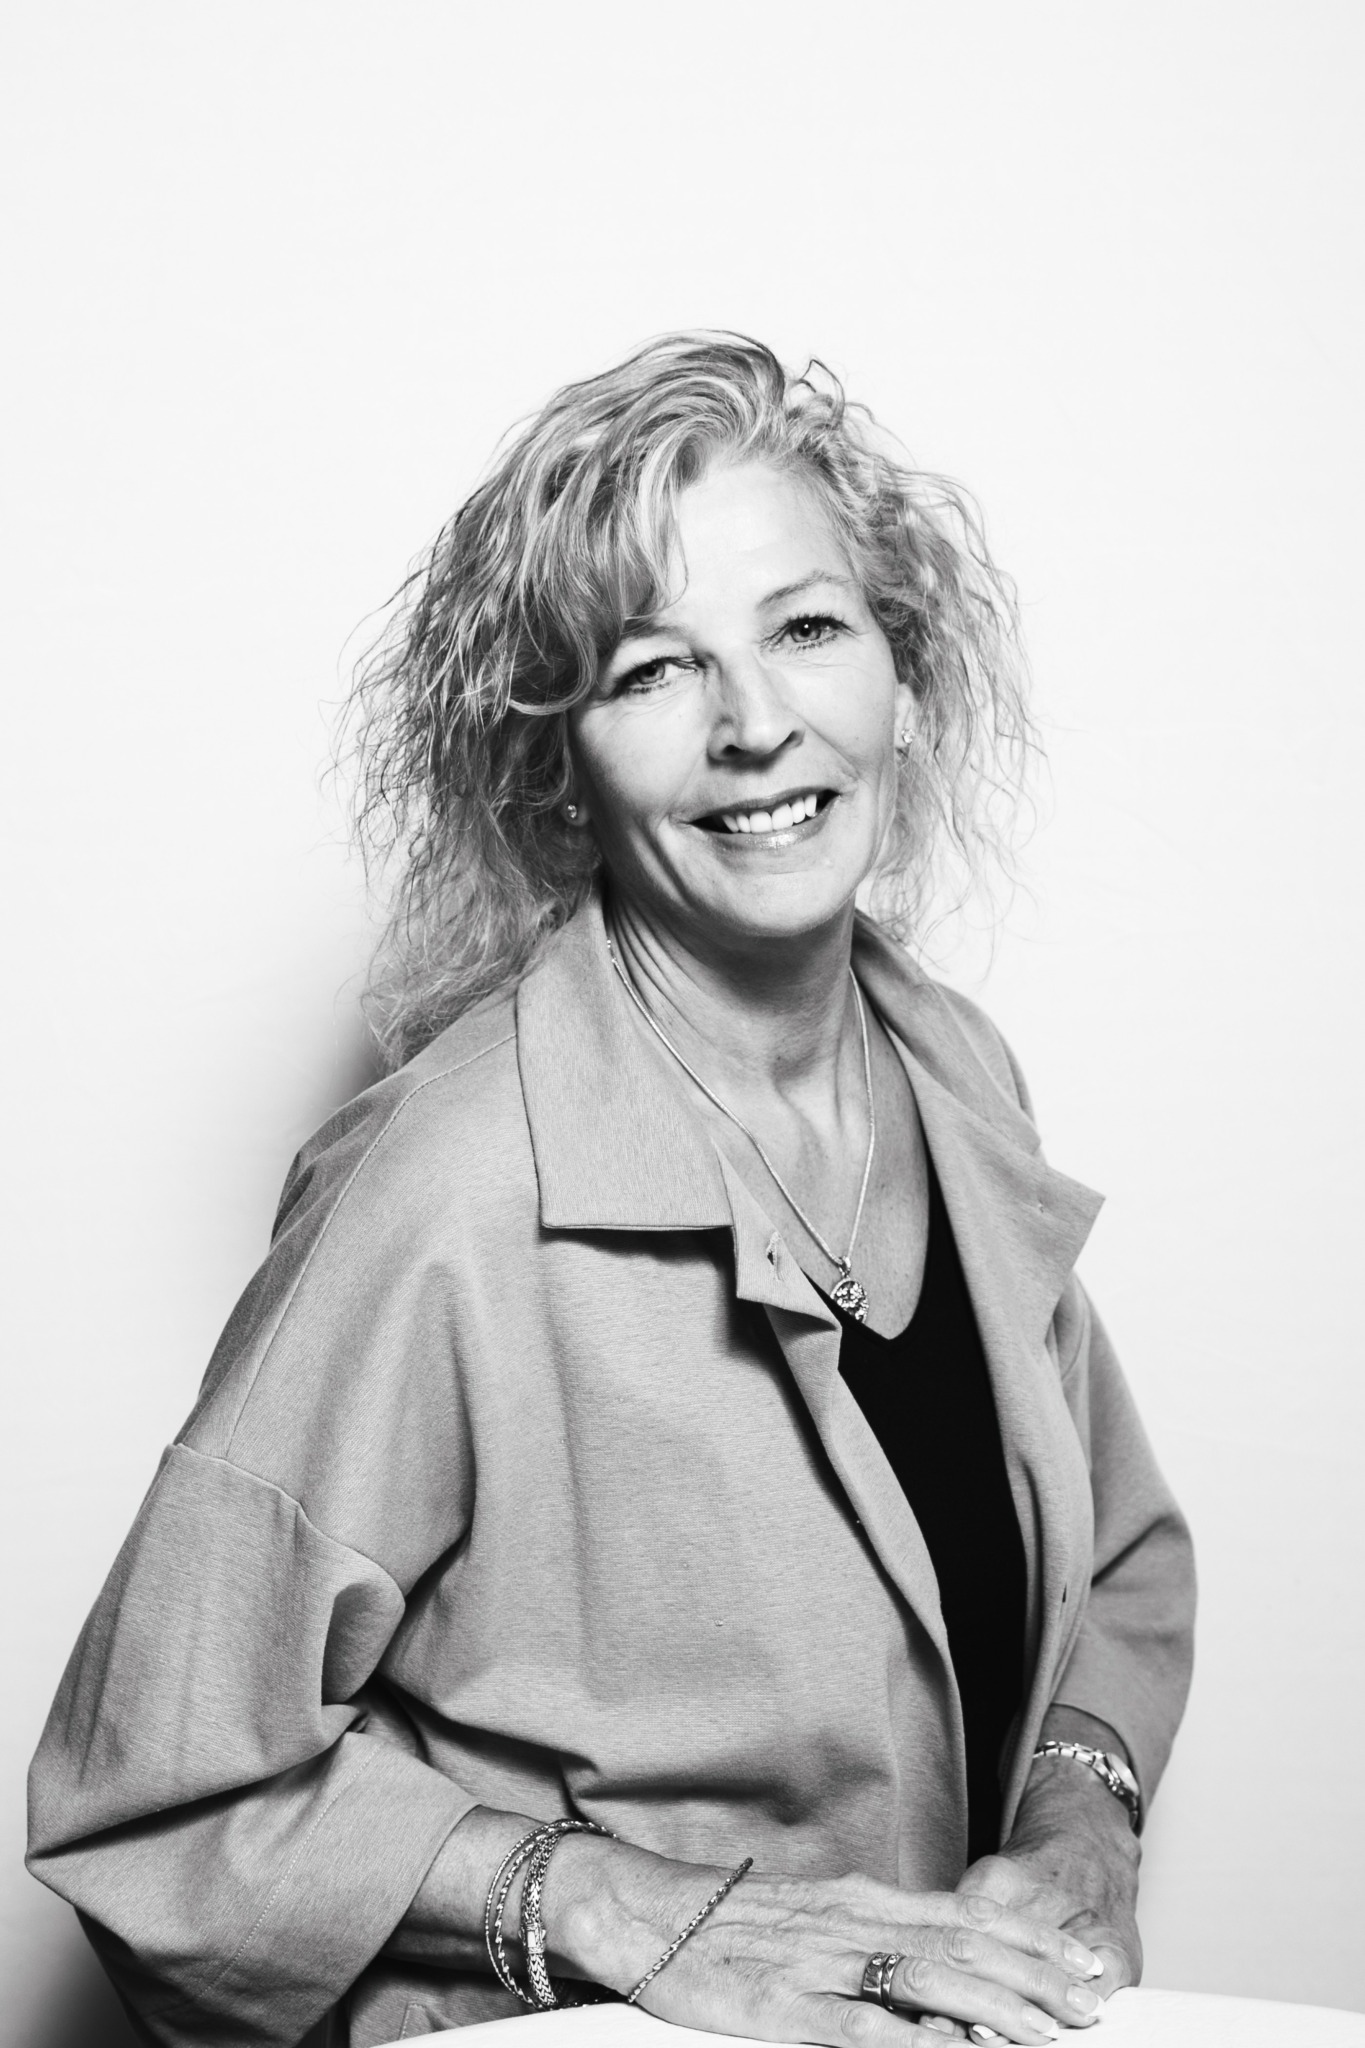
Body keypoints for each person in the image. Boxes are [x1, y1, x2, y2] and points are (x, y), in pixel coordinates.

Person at [27, 334, 1195, 2048]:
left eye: (806, 629)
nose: (755, 724)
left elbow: (1121, 1564)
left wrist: (1083, 1820)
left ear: (904, 673)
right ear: (552, 762)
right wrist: (615, 1906)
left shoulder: (946, 1065)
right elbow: (151, 1807)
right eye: (654, 668)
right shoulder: (448, 1187)